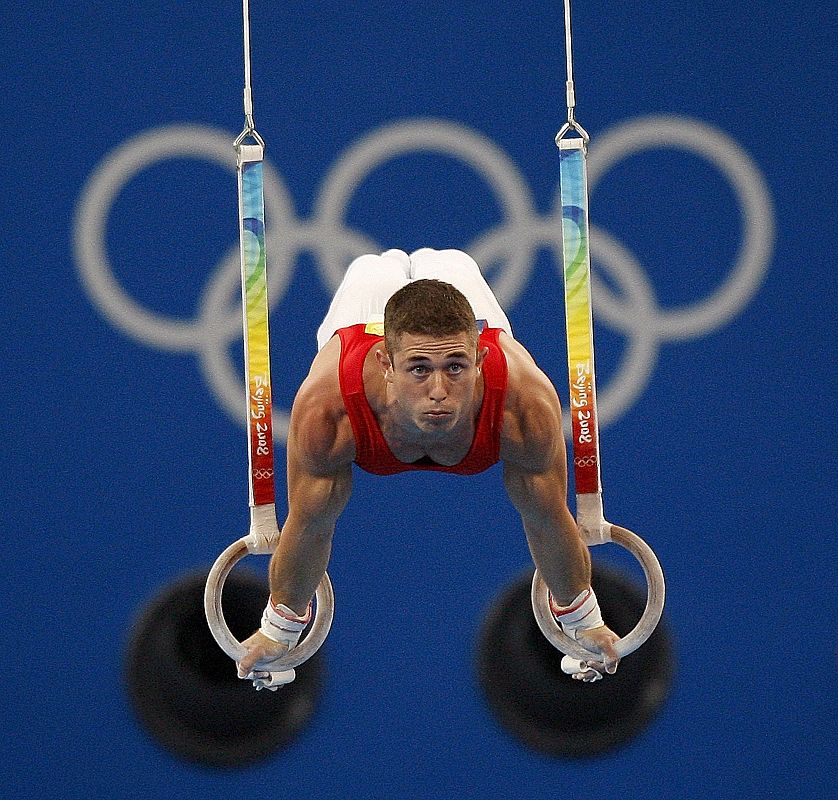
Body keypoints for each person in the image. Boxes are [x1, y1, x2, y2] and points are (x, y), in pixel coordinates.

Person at [237, 247, 620, 688]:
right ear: (385, 363)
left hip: (461, 334)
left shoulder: (523, 404)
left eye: (455, 366)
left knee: (453, 264)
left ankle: (444, 289)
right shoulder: (330, 411)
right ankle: (390, 279)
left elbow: (547, 515)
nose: (439, 390)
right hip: (360, 315)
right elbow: (310, 524)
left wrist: (583, 622)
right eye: (419, 369)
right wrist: (278, 631)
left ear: (479, 358)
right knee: (371, 270)